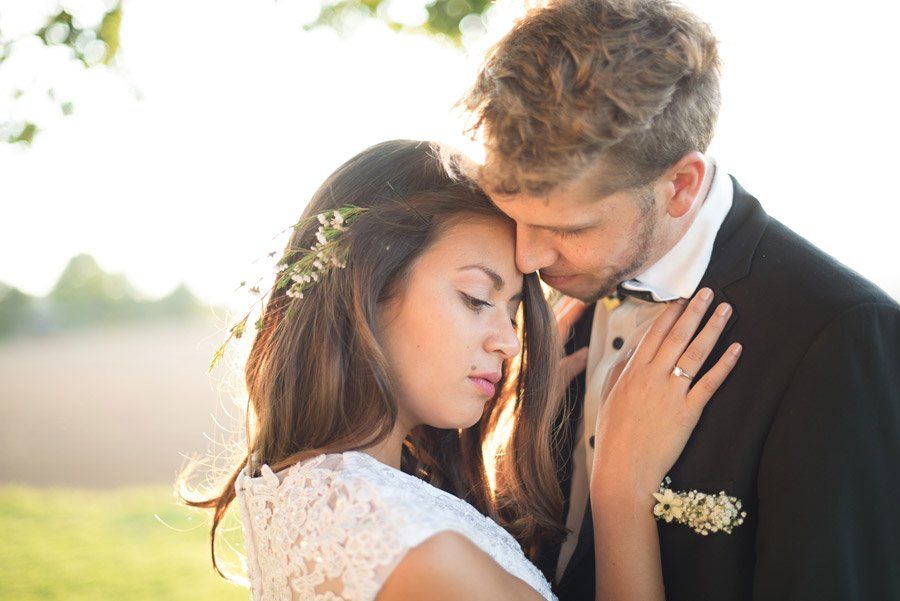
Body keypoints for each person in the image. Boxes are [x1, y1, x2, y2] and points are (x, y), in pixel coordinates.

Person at [460, 1, 900, 600]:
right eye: (513, 216)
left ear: (680, 185)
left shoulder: (837, 335)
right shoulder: (529, 297)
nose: (528, 256)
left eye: (571, 229)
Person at [180, 139, 740, 600]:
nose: (510, 344)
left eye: (516, 311)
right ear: (368, 288)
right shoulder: (405, 544)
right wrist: (623, 487)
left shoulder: (304, 493)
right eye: (476, 297)